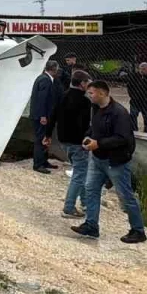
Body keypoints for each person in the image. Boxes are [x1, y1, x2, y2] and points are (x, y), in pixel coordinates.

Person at [70, 81, 146, 243]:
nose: (89, 95)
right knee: (90, 189)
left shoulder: (119, 113)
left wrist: (99, 143)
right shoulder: (96, 109)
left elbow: (122, 138)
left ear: (103, 94)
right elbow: (94, 128)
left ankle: (138, 230)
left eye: (92, 93)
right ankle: (91, 225)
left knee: (125, 195)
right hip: (97, 159)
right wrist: (88, 136)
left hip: (115, 161)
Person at [45, 70, 92, 218]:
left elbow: (52, 116)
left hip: (63, 140)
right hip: (78, 142)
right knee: (79, 174)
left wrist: (47, 135)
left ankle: (85, 204)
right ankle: (69, 207)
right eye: (88, 83)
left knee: (81, 172)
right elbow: (84, 125)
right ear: (82, 83)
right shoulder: (84, 102)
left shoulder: (63, 96)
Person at [29, 60, 62, 174]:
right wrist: (43, 115)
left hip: (43, 115)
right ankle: (38, 164)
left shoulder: (44, 78)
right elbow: (42, 99)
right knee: (40, 139)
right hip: (41, 116)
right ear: (54, 69)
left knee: (45, 138)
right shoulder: (45, 80)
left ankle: (43, 161)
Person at [125, 62, 147, 133]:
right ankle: (134, 131)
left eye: (144, 69)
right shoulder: (134, 76)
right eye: (141, 69)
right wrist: (132, 96)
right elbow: (129, 87)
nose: (142, 70)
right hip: (135, 101)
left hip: (146, 102)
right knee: (133, 115)